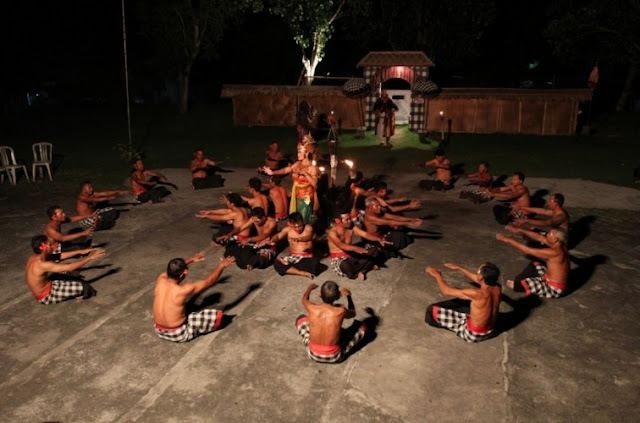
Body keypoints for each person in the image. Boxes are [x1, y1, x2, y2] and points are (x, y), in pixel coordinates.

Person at [153, 252, 236, 343]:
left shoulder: (161, 278)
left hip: (159, 331)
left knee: (183, 306)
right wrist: (221, 266)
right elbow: (209, 281)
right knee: (216, 316)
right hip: (179, 334)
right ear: (183, 273)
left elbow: (175, 268)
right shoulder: (184, 290)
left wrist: (191, 259)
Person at [424, 262, 501, 343]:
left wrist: (437, 275)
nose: (476, 273)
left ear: (481, 277)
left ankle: (447, 325)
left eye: (478, 272)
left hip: (473, 335)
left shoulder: (477, 294)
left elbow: (446, 291)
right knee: (468, 302)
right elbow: (478, 279)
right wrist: (460, 268)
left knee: (431, 310)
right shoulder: (497, 287)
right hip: (490, 331)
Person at [295, 281, 366, 363]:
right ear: (338, 296)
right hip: (335, 356)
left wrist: (310, 288)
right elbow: (353, 313)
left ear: (319, 295)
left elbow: (304, 299)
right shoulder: (341, 311)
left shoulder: (311, 307)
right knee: (361, 326)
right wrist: (349, 297)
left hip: (313, 354)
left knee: (301, 318)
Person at [25, 235, 105, 304]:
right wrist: (90, 257)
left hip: (46, 285)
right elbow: (71, 267)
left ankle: (67, 287)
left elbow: (58, 256)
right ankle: (77, 294)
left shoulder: (35, 257)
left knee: (71, 273)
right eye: (50, 244)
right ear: (43, 247)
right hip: (46, 296)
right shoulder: (43, 264)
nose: (52, 246)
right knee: (85, 287)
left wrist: (80, 251)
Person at [497, 226, 569, 298]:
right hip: (546, 278)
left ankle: (518, 285)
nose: (547, 235)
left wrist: (507, 239)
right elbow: (539, 237)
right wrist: (520, 229)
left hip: (553, 289)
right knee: (535, 264)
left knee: (526, 283)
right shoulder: (560, 245)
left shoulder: (554, 252)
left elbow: (527, 250)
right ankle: (522, 282)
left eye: (549, 234)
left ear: (555, 239)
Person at [261, 140, 318, 225]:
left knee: (303, 217)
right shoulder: (298, 163)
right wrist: (273, 173)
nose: (298, 154)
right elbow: (286, 170)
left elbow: (314, 184)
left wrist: (305, 174)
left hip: (306, 197)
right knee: (297, 216)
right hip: (296, 195)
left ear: (306, 153)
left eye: (299, 152)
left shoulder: (312, 168)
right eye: (298, 152)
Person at [328, 212, 391, 280]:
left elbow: (365, 234)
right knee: (345, 266)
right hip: (340, 259)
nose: (350, 221)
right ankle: (365, 268)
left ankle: (362, 270)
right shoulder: (332, 232)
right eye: (347, 220)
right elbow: (341, 245)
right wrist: (357, 248)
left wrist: (378, 239)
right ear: (338, 221)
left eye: (350, 219)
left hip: (352, 255)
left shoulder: (351, 227)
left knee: (375, 250)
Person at [258, 212, 321, 279]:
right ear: (291, 225)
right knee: (277, 263)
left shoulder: (308, 228)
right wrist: (272, 240)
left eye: (300, 226)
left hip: (306, 258)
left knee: (316, 264)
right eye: (295, 227)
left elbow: (309, 236)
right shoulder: (288, 230)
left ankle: (291, 269)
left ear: (303, 222)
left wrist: (299, 239)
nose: (298, 229)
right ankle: (302, 273)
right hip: (293, 258)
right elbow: (278, 236)